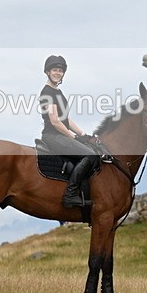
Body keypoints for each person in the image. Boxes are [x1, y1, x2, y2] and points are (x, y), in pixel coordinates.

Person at [39, 55, 100, 208]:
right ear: (47, 72)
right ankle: (71, 195)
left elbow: (66, 119)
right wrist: (73, 136)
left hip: (61, 133)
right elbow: (55, 121)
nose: (57, 73)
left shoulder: (58, 93)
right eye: (54, 70)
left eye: (60, 70)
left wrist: (83, 134)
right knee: (90, 155)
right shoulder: (47, 93)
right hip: (53, 135)